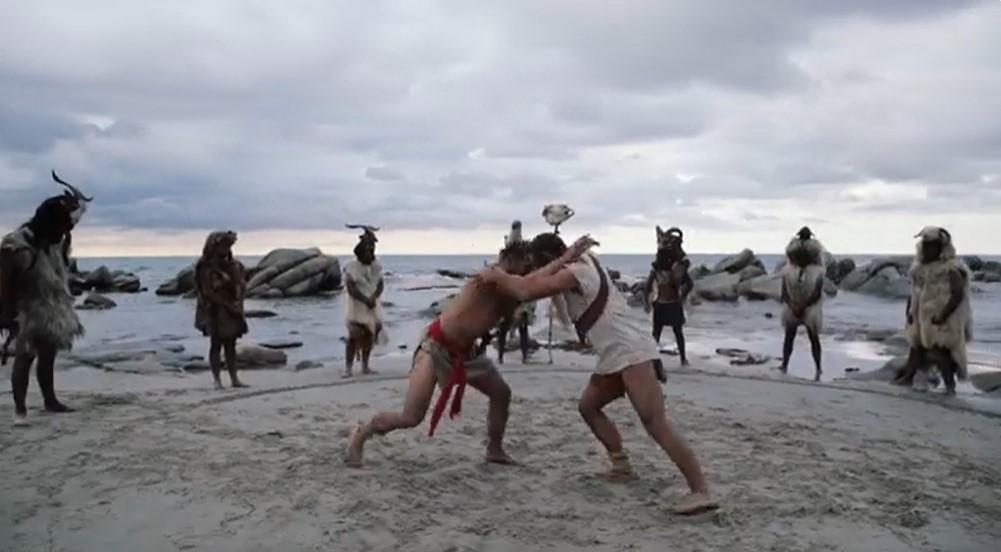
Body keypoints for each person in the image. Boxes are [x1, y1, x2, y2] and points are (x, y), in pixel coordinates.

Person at [480, 232, 718, 516]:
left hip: (630, 350)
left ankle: (700, 490)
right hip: (615, 352)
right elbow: (564, 305)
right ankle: (621, 466)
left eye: (537, 262)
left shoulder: (576, 271)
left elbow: (524, 291)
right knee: (589, 406)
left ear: (550, 258)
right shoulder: (585, 262)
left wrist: (495, 274)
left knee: (655, 423)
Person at [344, 237, 592, 468]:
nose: (526, 270)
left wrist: (565, 263)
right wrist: (565, 258)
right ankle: (362, 433)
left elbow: (533, 286)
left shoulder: (512, 284)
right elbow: (526, 288)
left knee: (501, 393)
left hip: (467, 352)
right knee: (411, 417)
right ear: (510, 259)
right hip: (436, 347)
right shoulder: (489, 275)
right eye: (524, 265)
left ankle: (494, 449)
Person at [1, 171, 91, 426]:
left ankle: (50, 401)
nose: (66, 231)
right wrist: (7, 314)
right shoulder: (17, 245)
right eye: (64, 226)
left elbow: (60, 267)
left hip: (51, 303)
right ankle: (20, 411)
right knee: (25, 356)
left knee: (48, 353)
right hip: (27, 306)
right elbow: (5, 284)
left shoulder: (54, 241)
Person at [893, 227, 971, 395]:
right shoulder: (920, 269)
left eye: (932, 246)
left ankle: (950, 386)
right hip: (922, 316)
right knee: (916, 347)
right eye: (926, 245)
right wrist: (910, 311)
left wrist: (944, 315)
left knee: (940, 351)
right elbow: (915, 292)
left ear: (941, 247)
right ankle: (908, 376)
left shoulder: (950, 268)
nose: (928, 249)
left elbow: (958, 294)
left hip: (942, 317)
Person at [194, 231, 248, 390]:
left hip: (232, 311)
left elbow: (241, 285)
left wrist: (238, 302)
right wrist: (228, 304)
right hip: (214, 310)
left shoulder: (235, 265)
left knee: (231, 345)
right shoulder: (205, 267)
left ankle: (234, 378)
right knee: (216, 343)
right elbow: (206, 291)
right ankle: (217, 380)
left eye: (228, 246)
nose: (226, 249)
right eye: (223, 246)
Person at [779, 227, 825, 381]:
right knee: (811, 338)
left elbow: (784, 293)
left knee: (791, 337)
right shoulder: (816, 271)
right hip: (807, 307)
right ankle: (817, 368)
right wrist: (802, 306)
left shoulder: (788, 270)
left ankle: (786, 365)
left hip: (796, 307)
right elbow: (816, 294)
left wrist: (794, 306)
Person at [645, 226, 692, 365]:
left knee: (660, 333)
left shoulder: (663, 270)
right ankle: (681, 359)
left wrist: (647, 302)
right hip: (669, 303)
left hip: (663, 304)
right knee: (672, 333)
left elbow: (648, 286)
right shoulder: (672, 269)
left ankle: (654, 359)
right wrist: (683, 296)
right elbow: (689, 284)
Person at [343, 229, 385, 377]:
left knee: (369, 335)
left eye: (372, 250)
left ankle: (365, 366)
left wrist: (374, 297)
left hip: (372, 304)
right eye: (367, 251)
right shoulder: (352, 266)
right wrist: (365, 299)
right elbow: (351, 288)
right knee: (353, 336)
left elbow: (380, 284)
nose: (370, 253)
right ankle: (348, 368)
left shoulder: (376, 266)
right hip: (356, 305)